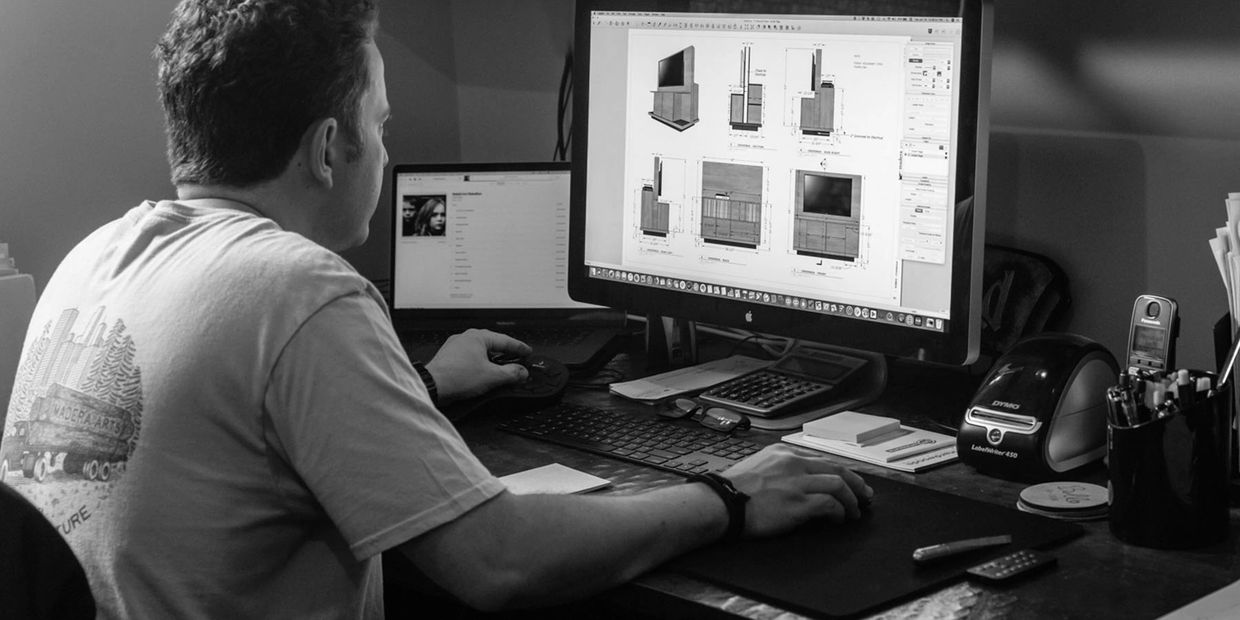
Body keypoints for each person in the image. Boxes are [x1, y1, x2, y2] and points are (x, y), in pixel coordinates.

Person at [0, 1, 873, 618]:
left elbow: (231, 429)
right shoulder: (298, 289)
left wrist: (417, 384)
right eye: (380, 123)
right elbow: (501, 563)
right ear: (329, 149)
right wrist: (727, 495)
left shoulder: (100, 256)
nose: (389, 145)